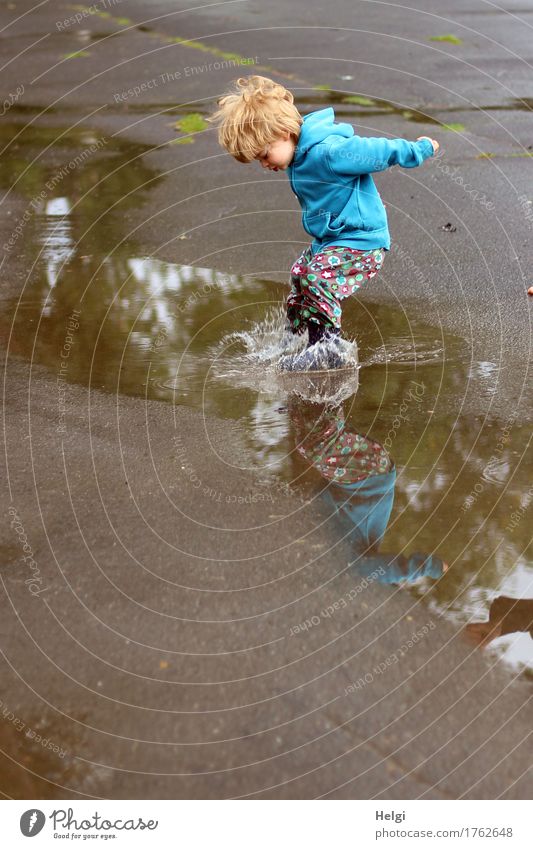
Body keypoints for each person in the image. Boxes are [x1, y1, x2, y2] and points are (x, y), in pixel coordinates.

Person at [209, 75, 439, 370]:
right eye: (258, 160)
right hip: (332, 242)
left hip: (363, 241)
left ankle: (330, 346)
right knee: (300, 274)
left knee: (318, 278)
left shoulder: (328, 152)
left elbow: (378, 151)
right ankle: (297, 338)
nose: (265, 164)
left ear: (283, 132)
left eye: (264, 155)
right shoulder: (296, 157)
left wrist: (419, 149)